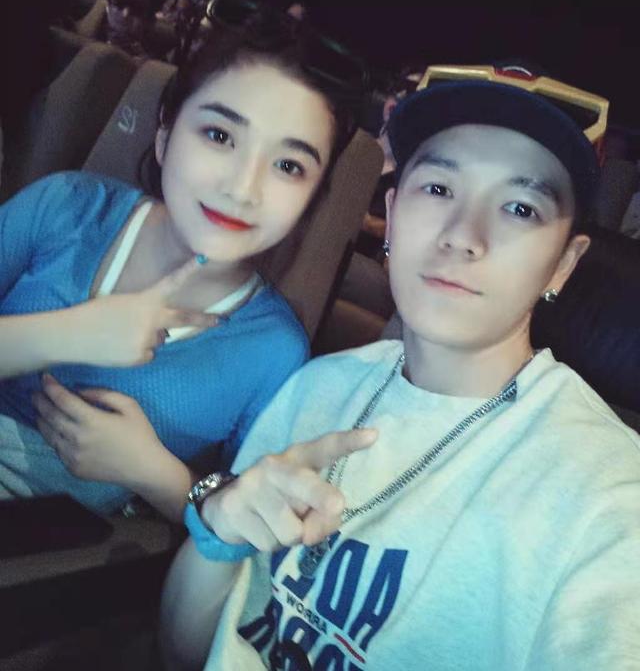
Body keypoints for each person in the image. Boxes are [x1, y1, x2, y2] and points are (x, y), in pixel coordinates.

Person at [160, 65, 640, 670]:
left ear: (564, 264)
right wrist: (221, 528)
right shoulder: (315, 387)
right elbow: (184, 653)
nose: (463, 236)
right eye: (438, 189)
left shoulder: (608, 502)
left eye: (520, 208)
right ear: (391, 214)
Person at [0, 0, 367, 521]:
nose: (243, 188)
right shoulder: (65, 207)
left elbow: (245, 518)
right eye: (220, 136)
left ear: (311, 198)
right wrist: (67, 333)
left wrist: (155, 474)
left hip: (55, 551)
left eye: (288, 165)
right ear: (166, 134)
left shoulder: (273, 351)